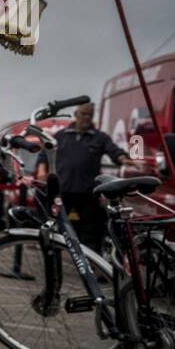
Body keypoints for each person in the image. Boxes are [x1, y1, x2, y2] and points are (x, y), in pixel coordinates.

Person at [53, 102, 135, 250]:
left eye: (90, 115)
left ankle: (93, 266)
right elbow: (43, 154)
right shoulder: (60, 136)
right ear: (76, 114)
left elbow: (114, 151)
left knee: (91, 233)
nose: (86, 118)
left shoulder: (100, 137)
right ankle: (57, 269)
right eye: (83, 114)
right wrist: (41, 170)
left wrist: (124, 159)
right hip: (64, 193)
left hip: (88, 194)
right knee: (61, 232)